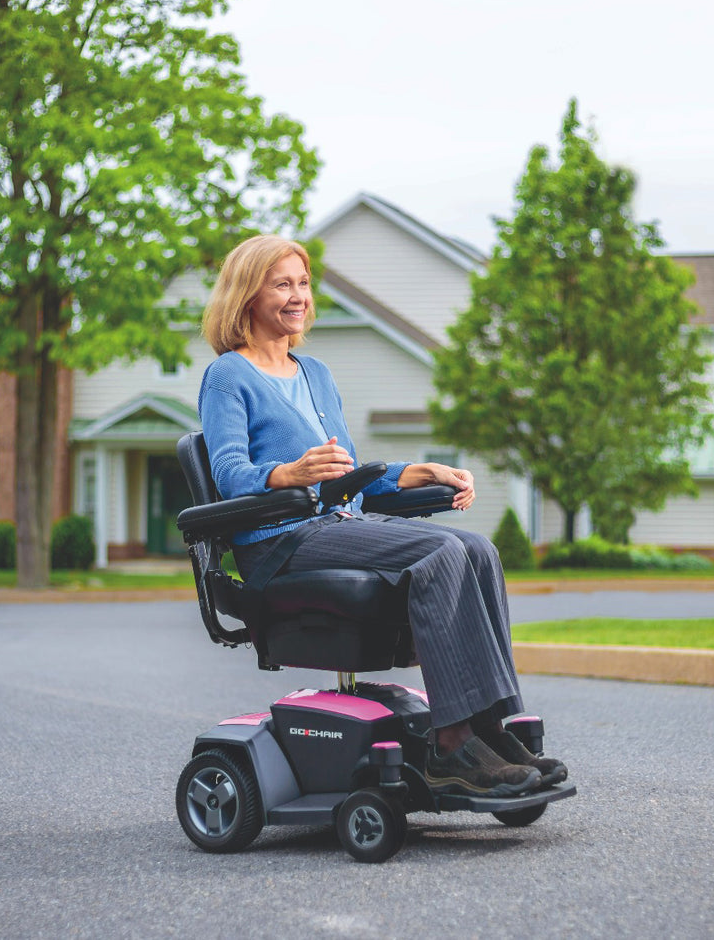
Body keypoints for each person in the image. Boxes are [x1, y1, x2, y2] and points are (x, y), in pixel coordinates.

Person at [197, 234, 567, 798]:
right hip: (280, 541)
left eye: (302, 283)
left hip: (339, 524)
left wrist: (423, 472)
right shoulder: (229, 375)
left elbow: (350, 477)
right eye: (282, 284)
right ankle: (451, 746)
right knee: (440, 551)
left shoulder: (315, 372)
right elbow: (228, 473)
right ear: (248, 294)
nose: (298, 296)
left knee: (477, 549)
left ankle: (491, 729)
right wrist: (290, 474)